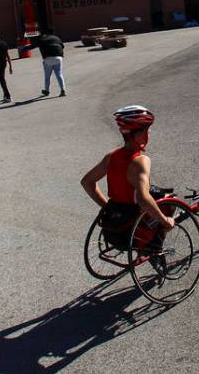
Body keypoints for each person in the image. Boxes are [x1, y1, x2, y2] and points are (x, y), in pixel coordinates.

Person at [80, 106, 175, 250]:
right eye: (147, 130)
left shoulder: (111, 157)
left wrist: (107, 207)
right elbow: (143, 199)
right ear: (139, 135)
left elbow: (87, 182)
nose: (149, 133)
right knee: (171, 201)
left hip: (115, 223)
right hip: (132, 224)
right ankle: (155, 245)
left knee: (155, 191)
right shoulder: (141, 161)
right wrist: (165, 221)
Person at [35, 28, 66, 97]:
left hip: (48, 59)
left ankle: (47, 91)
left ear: (47, 33)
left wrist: (25, 49)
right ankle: (63, 90)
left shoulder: (44, 39)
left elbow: (35, 45)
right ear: (53, 33)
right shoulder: (57, 38)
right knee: (59, 74)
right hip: (58, 58)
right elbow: (63, 46)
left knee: (47, 76)